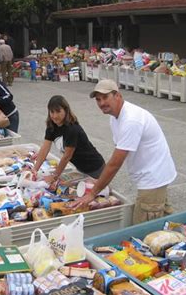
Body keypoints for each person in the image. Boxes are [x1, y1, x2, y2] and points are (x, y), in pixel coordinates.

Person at [70, 79, 177, 224]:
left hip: (153, 179)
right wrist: (99, 181)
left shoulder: (131, 120)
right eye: (98, 99)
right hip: (153, 175)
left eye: (105, 97)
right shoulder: (115, 118)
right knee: (166, 222)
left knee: (143, 229)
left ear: (117, 95)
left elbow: (115, 163)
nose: (101, 103)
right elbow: (118, 154)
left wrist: (93, 193)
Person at [32, 95, 105, 184]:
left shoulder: (72, 128)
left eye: (58, 111)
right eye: (52, 112)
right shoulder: (51, 126)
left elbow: (67, 156)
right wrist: (35, 170)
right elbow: (44, 149)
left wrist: (54, 176)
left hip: (95, 168)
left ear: (66, 110)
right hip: (81, 168)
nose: (55, 116)